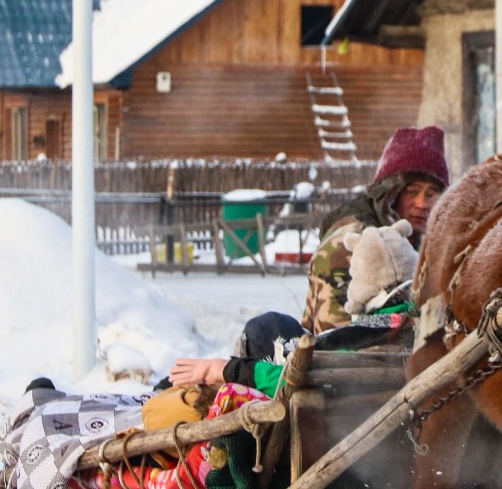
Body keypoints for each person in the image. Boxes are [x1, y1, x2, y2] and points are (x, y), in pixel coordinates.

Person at [166, 126, 449, 392]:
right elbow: (332, 359)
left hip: (370, 377)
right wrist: (230, 371)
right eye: (412, 191)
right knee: (267, 329)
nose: (422, 204)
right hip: (338, 381)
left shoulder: (413, 244)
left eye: (431, 193)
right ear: (389, 192)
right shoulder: (352, 245)